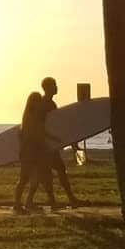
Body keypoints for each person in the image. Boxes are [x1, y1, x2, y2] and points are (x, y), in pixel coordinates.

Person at [14, 92, 56, 213]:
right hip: (29, 152)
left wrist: (55, 139)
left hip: (36, 152)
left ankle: (29, 202)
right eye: (38, 101)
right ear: (34, 103)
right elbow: (36, 135)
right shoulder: (29, 117)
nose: (40, 104)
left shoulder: (36, 117)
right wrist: (48, 143)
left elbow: (42, 133)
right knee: (24, 178)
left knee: (36, 178)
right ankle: (17, 204)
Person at [41, 77, 79, 208]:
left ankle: (66, 199)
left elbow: (57, 124)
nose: (57, 87)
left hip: (51, 144)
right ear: (48, 87)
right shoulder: (44, 104)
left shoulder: (51, 103)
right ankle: (58, 200)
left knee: (56, 171)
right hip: (46, 145)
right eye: (54, 85)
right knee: (50, 172)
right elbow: (42, 125)